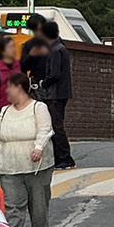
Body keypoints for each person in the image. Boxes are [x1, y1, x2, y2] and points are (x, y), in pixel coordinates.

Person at [0, 71, 53, 227]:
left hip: (36, 167)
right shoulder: (4, 111)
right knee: (12, 208)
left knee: (38, 207)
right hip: (10, 165)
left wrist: (38, 147)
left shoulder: (38, 107)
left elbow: (45, 130)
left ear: (19, 88)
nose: (6, 92)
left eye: (9, 88)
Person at [42, 19, 76, 171]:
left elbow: (54, 74)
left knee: (56, 126)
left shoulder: (54, 50)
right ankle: (62, 157)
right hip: (61, 92)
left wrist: (44, 82)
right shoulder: (60, 47)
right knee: (57, 124)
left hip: (55, 93)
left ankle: (64, 158)